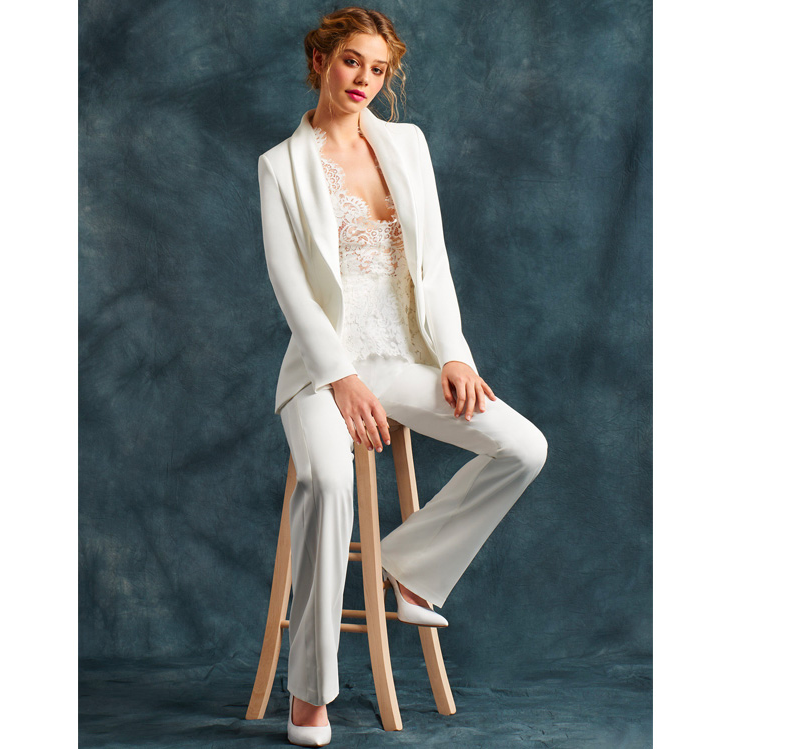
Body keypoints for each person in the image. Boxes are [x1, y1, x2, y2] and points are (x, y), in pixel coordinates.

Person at [257, 7, 548, 746]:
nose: (364, 79)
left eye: (378, 68)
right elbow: (292, 289)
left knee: (523, 447)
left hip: (405, 357)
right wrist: (340, 377)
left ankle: (412, 567)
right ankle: (309, 693)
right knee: (328, 483)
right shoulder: (280, 165)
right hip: (322, 370)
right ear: (320, 60)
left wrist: (455, 354)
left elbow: (433, 264)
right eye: (351, 61)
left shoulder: (407, 145)